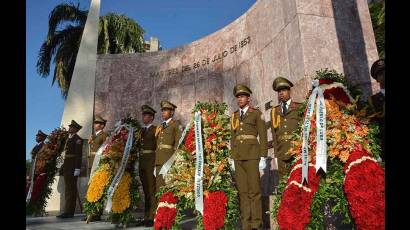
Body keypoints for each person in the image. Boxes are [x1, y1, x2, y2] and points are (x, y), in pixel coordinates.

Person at [230, 84, 268, 230]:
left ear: (248, 98)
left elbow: (263, 136)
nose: (240, 99)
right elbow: (233, 139)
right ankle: (245, 224)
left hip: (252, 156)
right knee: (243, 192)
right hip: (238, 157)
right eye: (238, 97)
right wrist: (232, 158)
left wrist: (263, 157)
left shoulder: (256, 114)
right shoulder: (234, 116)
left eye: (242, 96)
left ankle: (256, 224)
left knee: (255, 191)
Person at [270, 76, 302, 183]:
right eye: (279, 91)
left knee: (298, 181)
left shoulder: (298, 108)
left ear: (289, 91)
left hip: (296, 152)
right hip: (281, 153)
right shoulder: (275, 111)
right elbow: (275, 135)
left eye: (283, 90)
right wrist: (276, 153)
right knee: (284, 183)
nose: (281, 93)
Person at [82, 115, 108, 222]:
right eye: (94, 123)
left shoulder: (104, 135)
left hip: (99, 165)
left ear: (102, 125)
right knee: (92, 188)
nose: (95, 125)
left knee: (98, 188)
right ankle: (91, 212)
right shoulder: (93, 136)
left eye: (97, 123)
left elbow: (106, 150)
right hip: (92, 164)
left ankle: (97, 212)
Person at [57, 120, 83, 219]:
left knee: (71, 190)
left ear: (75, 129)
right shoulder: (68, 139)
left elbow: (78, 155)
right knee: (68, 189)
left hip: (72, 166)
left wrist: (77, 168)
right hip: (67, 166)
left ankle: (69, 212)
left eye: (71, 127)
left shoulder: (78, 139)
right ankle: (67, 211)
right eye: (70, 126)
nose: (69, 128)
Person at [154, 101, 181, 196]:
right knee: (159, 187)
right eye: (162, 110)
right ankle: (159, 209)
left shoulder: (176, 124)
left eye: (166, 110)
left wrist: (175, 159)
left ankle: (167, 209)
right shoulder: (160, 126)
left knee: (168, 186)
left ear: (172, 112)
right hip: (158, 160)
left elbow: (178, 143)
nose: (163, 112)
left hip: (168, 160)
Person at [136, 105, 157, 227]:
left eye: (146, 115)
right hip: (142, 163)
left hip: (150, 162)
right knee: (145, 190)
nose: (143, 117)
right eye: (143, 115)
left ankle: (152, 216)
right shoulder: (141, 131)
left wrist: (155, 164)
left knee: (151, 189)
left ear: (152, 117)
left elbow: (157, 147)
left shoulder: (155, 129)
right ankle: (146, 216)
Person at [367, 59, 385, 160]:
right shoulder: (373, 100)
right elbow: (373, 126)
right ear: (377, 79)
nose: (384, 75)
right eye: (381, 73)